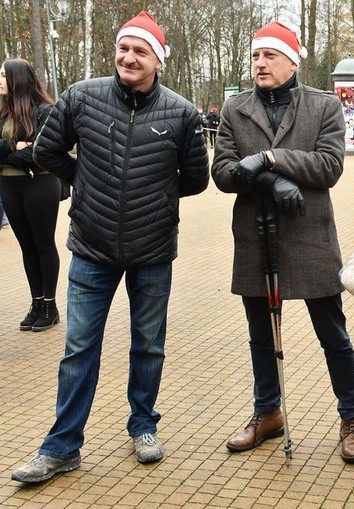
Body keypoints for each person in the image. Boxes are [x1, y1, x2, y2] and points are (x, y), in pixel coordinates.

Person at [11, 11, 209, 484]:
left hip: (153, 249)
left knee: (148, 346)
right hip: (91, 248)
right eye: (123, 48)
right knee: (79, 348)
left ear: (157, 60)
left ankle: (143, 425)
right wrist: (89, 182)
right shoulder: (82, 96)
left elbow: (197, 179)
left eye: (140, 51)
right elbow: (45, 152)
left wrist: (152, 195)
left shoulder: (181, 113)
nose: (128, 57)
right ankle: (61, 448)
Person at [211, 21, 354, 464]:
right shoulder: (235, 108)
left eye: (270, 56)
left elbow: (329, 167)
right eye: (256, 56)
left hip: (309, 234)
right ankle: (267, 412)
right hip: (256, 236)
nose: (260, 63)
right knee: (261, 336)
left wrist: (270, 157)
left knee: (332, 333)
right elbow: (223, 172)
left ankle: (351, 416)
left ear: (291, 61)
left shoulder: (323, 106)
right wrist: (272, 181)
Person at [0, 58, 61, 331]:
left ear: (17, 79)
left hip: (40, 185)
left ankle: (50, 304)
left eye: (3, 75)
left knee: (43, 243)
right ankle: (36, 302)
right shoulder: (1, 112)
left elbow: (41, 154)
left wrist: (9, 151)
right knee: (26, 246)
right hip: (9, 186)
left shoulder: (45, 111)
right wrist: (17, 147)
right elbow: (23, 152)